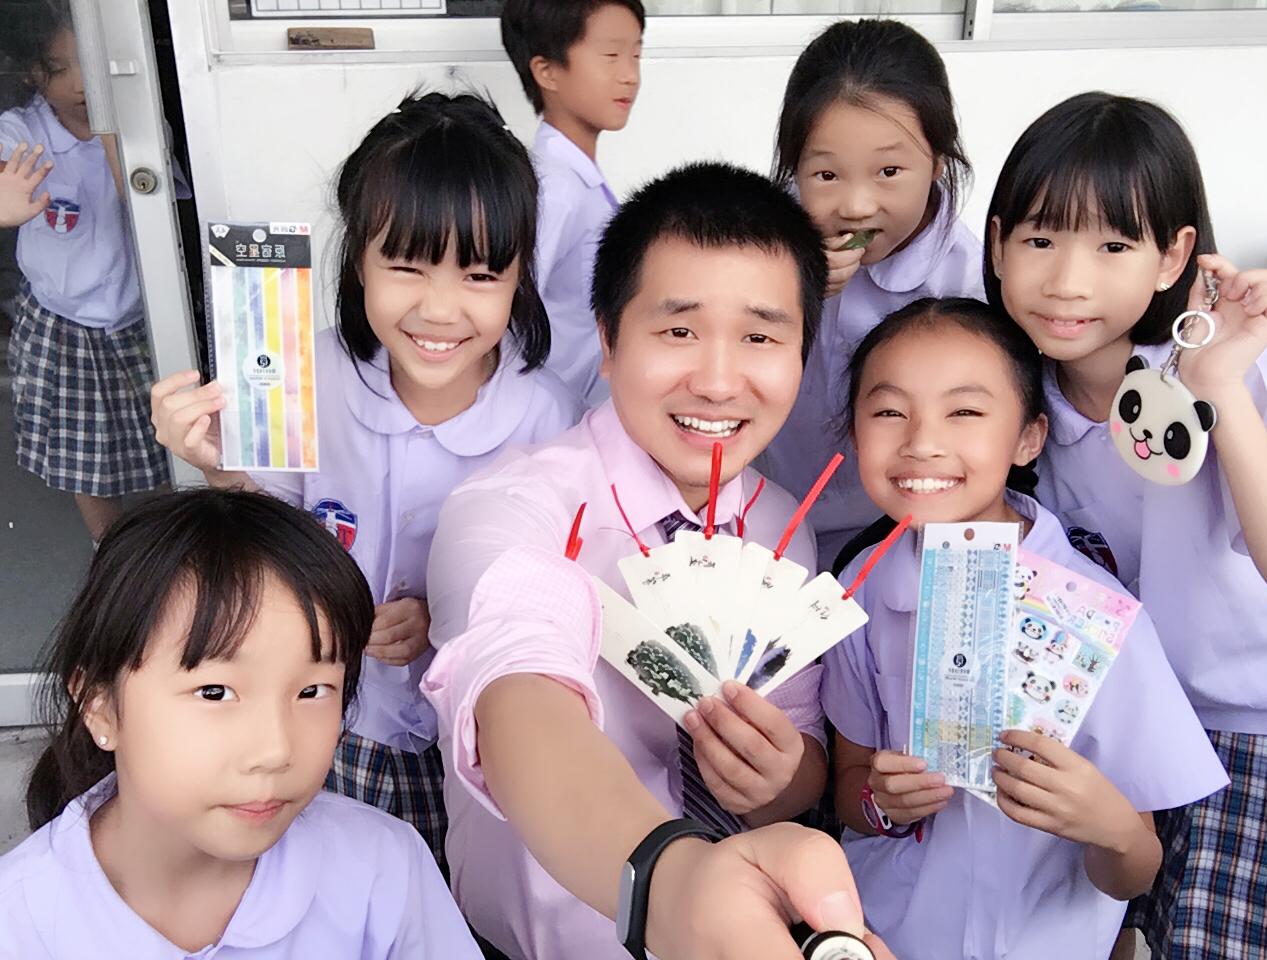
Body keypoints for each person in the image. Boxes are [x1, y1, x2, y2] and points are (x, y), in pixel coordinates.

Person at [423, 161, 887, 959]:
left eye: (760, 337)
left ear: (802, 354)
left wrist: (779, 779)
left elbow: (802, 752)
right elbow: (516, 683)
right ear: (607, 341)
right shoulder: (511, 506)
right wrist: (673, 888)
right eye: (678, 332)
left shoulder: (782, 524)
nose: (717, 382)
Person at [150, 92, 581, 870]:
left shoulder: (548, 419)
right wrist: (220, 468)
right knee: (329, 879)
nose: (440, 309)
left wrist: (449, 618)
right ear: (358, 262)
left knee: (455, 895)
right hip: (333, 722)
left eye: (480, 274)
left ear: (520, 276)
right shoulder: (299, 375)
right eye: (406, 266)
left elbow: (561, 588)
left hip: (475, 742)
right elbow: (270, 540)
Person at [822, 297, 1227, 958]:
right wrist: (882, 803)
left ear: (1028, 438)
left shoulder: (1096, 613)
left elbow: (1134, 868)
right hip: (886, 934)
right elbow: (851, 785)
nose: (922, 441)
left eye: (965, 412)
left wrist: (1111, 828)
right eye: (889, 411)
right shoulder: (858, 587)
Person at [985, 92, 1267, 960]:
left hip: (1253, 726)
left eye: (1114, 246)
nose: (1068, 281)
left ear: (1173, 257)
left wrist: (1219, 385)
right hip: (1105, 734)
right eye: (1041, 240)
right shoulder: (1012, 407)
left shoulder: (1233, 370)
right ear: (997, 245)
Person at [0, 489, 481, 958]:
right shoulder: (18, 923)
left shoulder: (383, 869)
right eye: (215, 692)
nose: (275, 751)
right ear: (99, 703)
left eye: (312, 691)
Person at [760, 18, 984, 569]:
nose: (856, 206)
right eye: (826, 175)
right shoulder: (766, 235)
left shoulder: (966, 282)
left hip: (900, 536)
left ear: (938, 161)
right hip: (765, 516)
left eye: (888, 170)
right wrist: (791, 287)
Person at [0, 1, 168, 541]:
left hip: (140, 314)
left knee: (165, 437)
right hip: (60, 319)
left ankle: (174, 537)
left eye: (93, 66)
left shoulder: (140, 123)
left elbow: (148, 199)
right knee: (81, 453)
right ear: (34, 73)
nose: (81, 84)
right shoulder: (22, 130)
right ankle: (108, 545)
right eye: (61, 68)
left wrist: (116, 131)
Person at [500, 0, 643, 404]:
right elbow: (505, 312)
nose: (630, 75)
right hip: (557, 413)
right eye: (611, 56)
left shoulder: (578, 178)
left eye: (636, 55)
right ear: (547, 71)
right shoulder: (553, 187)